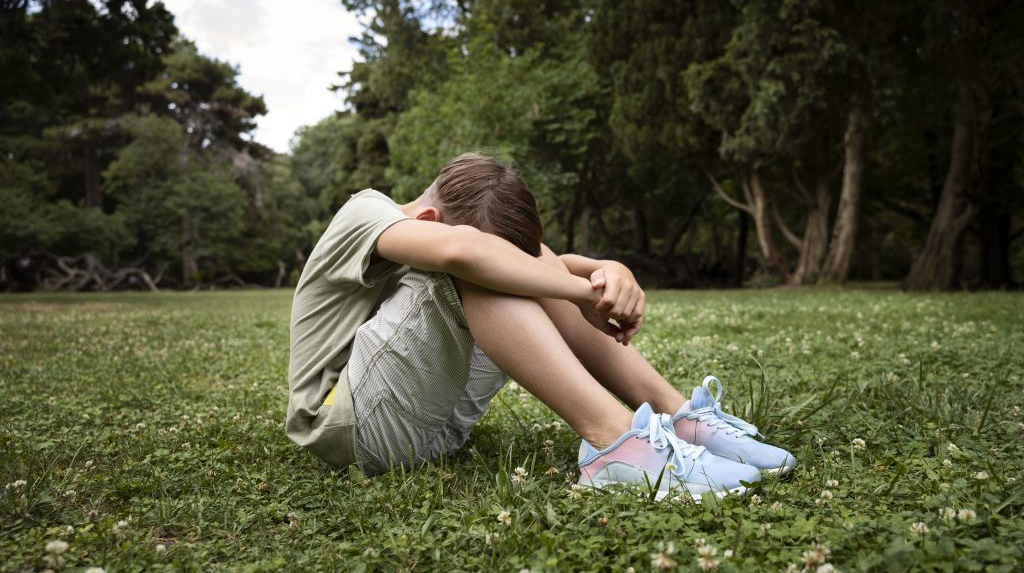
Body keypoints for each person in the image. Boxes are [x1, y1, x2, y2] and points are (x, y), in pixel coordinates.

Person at [285, 153, 794, 501]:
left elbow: (540, 262)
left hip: (438, 430)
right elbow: (465, 251)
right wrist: (576, 292)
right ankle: (619, 445)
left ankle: (679, 416)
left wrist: (604, 269)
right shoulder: (364, 211)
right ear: (430, 219)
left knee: (535, 261)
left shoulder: (443, 234)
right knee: (477, 268)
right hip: (349, 426)